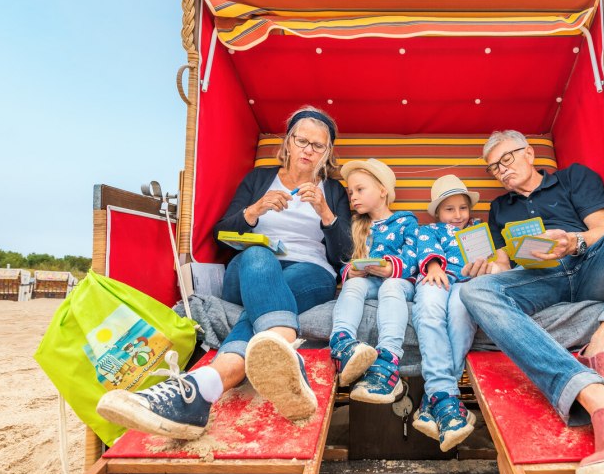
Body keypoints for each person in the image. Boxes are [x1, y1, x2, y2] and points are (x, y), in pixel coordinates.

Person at [96, 106, 352, 439]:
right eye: (302, 140)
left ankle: (202, 387)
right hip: (249, 270)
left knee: (274, 296)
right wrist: (255, 210)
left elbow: (344, 254)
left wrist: (326, 214)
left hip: (310, 272)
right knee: (259, 254)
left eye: (318, 146)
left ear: (327, 152)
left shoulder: (332, 191)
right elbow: (222, 233)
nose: (308, 150)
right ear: (288, 142)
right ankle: (287, 356)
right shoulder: (259, 180)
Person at [460, 130, 604, 474]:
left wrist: (572, 241)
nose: (501, 171)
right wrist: (491, 266)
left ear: (529, 153)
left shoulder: (574, 178)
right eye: (493, 169)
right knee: (476, 292)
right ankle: (594, 394)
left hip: (591, 263)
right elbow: (503, 260)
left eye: (506, 160)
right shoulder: (500, 209)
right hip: (542, 278)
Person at [327, 158, 420, 404]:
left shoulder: (405, 220)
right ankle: (342, 343)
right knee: (353, 284)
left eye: (360, 189)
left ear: (382, 190)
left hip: (398, 282)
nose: (353, 197)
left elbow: (413, 255)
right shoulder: (358, 225)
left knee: (390, 286)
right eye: (350, 192)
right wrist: (352, 271)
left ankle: (388, 357)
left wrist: (391, 268)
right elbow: (348, 260)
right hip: (368, 281)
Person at [410, 175, 481, 451]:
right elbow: (426, 251)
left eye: (462, 208)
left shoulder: (477, 229)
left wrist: (485, 267)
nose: (458, 215)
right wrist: (434, 267)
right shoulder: (429, 230)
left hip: (467, 283)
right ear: (438, 212)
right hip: (435, 278)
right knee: (429, 311)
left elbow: (486, 258)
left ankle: (435, 399)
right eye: (449, 209)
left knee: (462, 315)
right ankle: (447, 399)